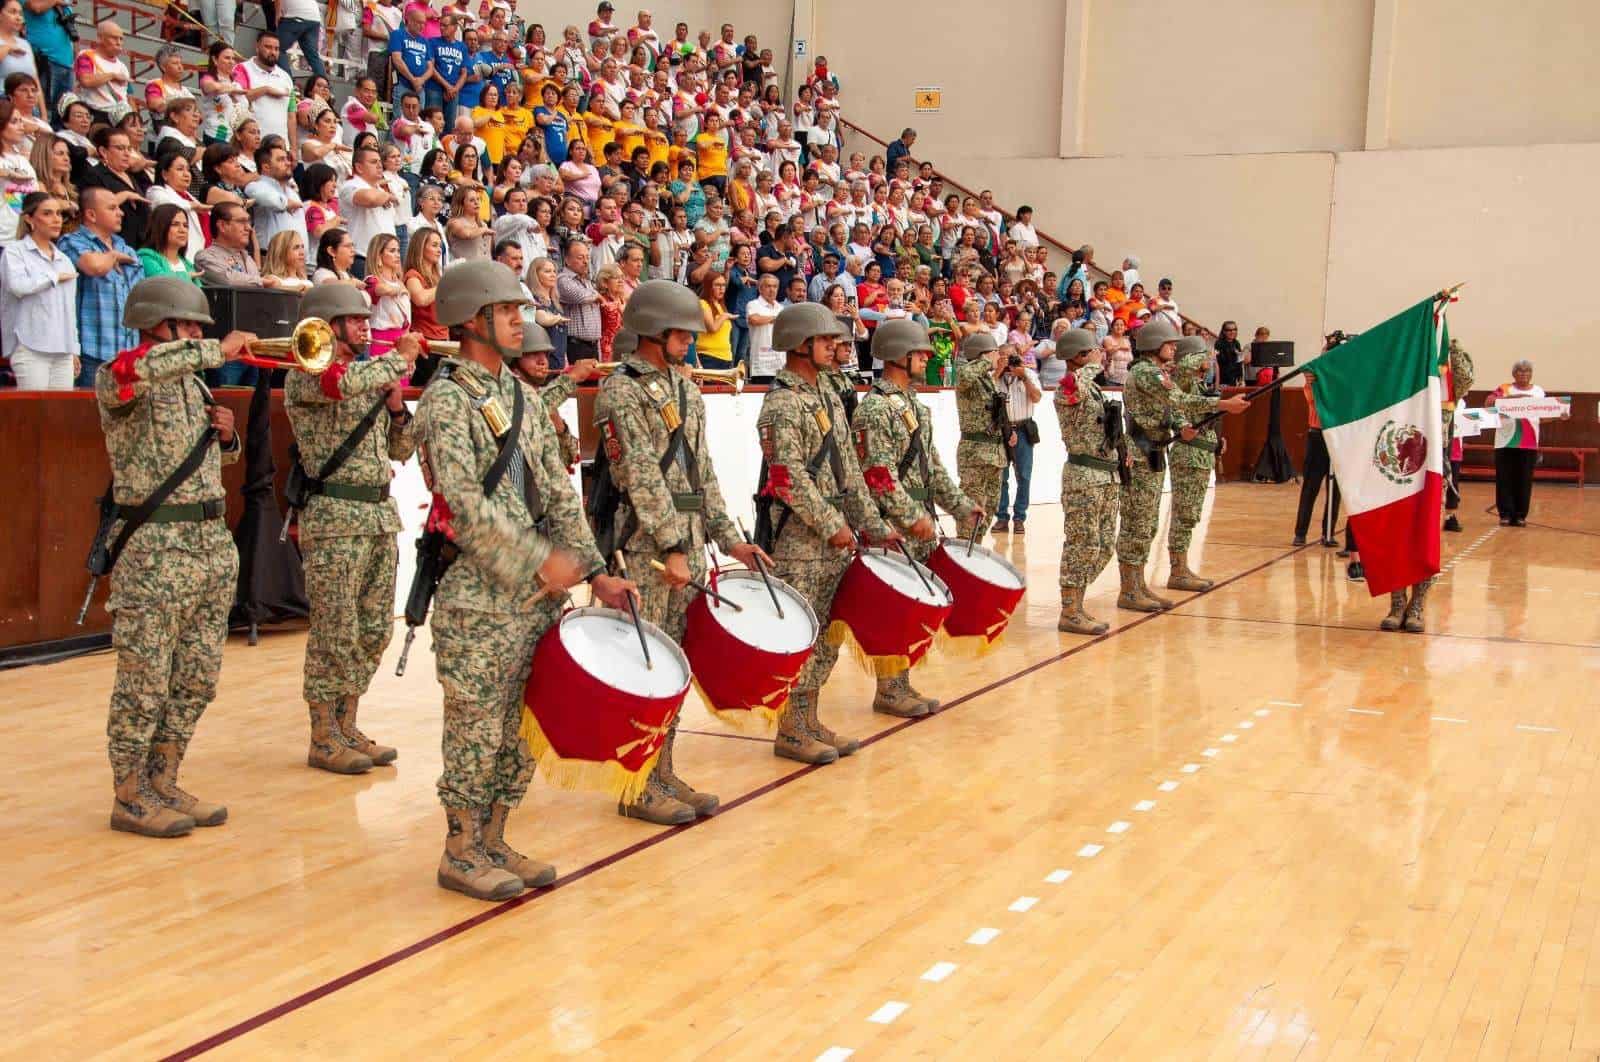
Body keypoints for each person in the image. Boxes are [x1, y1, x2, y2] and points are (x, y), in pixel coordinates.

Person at [414, 259, 634, 900]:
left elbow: (561, 494)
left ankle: (496, 835)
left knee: (519, 727)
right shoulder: (446, 401)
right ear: (475, 320)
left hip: (538, 598)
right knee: (477, 723)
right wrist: (536, 559)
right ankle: (461, 847)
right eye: (509, 312)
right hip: (479, 598)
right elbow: (461, 504)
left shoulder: (520, 396)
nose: (521, 322)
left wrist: (594, 570)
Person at [593, 280, 771, 822]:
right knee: (643, 666)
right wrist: (672, 546)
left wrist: (730, 538)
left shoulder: (686, 389)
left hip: (686, 545)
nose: (691, 340)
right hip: (645, 549)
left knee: (674, 665)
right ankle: (635, 783)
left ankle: (662, 769)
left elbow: (703, 473)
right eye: (683, 331)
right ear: (655, 330)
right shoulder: (621, 391)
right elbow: (640, 475)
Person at [95, 275, 255, 837]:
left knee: (197, 676)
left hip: (209, 546)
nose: (193, 335)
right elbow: (134, 375)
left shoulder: (197, 388)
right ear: (152, 325)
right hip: (157, 552)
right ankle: (129, 791)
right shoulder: (120, 375)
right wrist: (215, 349)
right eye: (184, 325)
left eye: (198, 328)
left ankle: (163, 776)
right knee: (145, 676)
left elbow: (220, 466)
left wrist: (228, 437)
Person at [285, 284, 420, 775]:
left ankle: (347, 723)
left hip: (377, 517)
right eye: (355, 319)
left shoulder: (369, 378)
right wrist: (399, 360)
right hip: (335, 521)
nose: (366, 326)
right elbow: (336, 385)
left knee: (372, 630)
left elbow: (401, 452)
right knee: (333, 632)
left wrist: (398, 410)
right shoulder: (307, 373)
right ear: (327, 325)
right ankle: (323, 734)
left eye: (366, 319)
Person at [756, 302, 897, 764]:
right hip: (800, 538)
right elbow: (788, 477)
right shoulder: (781, 402)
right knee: (800, 635)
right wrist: (833, 524)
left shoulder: (829, 395)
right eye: (826, 340)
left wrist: (873, 526)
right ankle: (790, 729)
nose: (837, 347)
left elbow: (850, 472)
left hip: (834, 537)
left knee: (825, 638)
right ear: (800, 344)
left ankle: (810, 718)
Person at [850, 319, 980, 717]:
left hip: (919, 520)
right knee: (895, 608)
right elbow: (878, 475)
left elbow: (933, 467)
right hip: (893, 526)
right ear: (898, 356)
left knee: (913, 609)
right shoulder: (874, 409)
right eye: (921, 352)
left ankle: (900, 683)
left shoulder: (914, 407)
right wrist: (910, 517)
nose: (928, 356)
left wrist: (960, 504)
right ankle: (888, 689)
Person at [1116, 319, 1250, 612]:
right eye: (1170, 344)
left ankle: (1137, 586)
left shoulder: (1154, 372)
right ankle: (1129, 589)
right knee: (1138, 522)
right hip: (1141, 451)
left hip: (1152, 450)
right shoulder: (1146, 372)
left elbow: (1168, 407)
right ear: (1154, 345)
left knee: (1148, 522)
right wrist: (1224, 405)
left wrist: (1180, 425)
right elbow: (1176, 397)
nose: (1174, 349)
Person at [1053, 328, 1121, 634]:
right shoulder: (1067, 385)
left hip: (1105, 474)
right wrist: (1092, 364)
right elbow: (1072, 389)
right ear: (1079, 356)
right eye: (1092, 352)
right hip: (1083, 477)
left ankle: (1076, 598)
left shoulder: (1092, 388)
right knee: (1082, 543)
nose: (1098, 356)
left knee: (1104, 544)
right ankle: (1070, 609)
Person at [60, 186, 145, 388]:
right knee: (91, 418)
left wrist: (111, 256)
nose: (121, 212)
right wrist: (113, 257)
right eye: (112, 208)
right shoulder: (71, 241)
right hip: (93, 352)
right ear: (91, 214)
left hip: (127, 353)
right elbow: (94, 266)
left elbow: (140, 289)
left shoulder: (125, 247)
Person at [1165, 335, 1226, 591]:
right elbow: (1184, 372)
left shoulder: (1199, 384)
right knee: (1184, 515)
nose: (1209, 360)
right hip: (1189, 457)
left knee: (1190, 516)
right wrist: (1198, 355)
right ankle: (1177, 571)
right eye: (1205, 356)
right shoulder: (1183, 381)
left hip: (1201, 455)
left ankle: (1182, 566)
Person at [1, 192, 78, 388]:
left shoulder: (64, 259)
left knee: (61, 416)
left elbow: (69, 309)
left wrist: (74, 349)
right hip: (29, 346)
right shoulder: (15, 251)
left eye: (59, 214)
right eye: (47, 213)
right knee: (34, 415)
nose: (56, 219)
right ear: (29, 219)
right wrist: (54, 277)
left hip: (63, 350)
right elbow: (18, 286)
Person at [1485, 358, 1562, 527]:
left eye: (1527, 371)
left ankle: (1520, 515)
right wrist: (1516, 397)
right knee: (1504, 479)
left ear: (1531, 374)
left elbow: (1540, 417)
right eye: (1520, 371)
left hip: (1528, 442)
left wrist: (1558, 415)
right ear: (1514, 374)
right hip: (1505, 441)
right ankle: (1505, 514)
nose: (1524, 374)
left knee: (1524, 480)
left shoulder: (1539, 392)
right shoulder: (1504, 388)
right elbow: (1488, 403)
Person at [953, 332, 1006, 537]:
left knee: (988, 509)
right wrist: (986, 360)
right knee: (971, 511)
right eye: (994, 352)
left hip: (994, 454)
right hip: (975, 454)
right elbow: (965, 377)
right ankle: (965, 552)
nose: (996, 356)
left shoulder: (987, 380)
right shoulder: (967, 373)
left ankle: (976, 547)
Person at [992, 346, 1042, 534]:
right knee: (1000, 476)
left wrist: (1024, 376)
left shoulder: (1029, 373)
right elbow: (984, 395)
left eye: (1011, 357)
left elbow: (1036, 397)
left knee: (1024, 476)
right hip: (1001, 430)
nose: (1007, 361)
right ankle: (1001, 517)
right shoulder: (994, 376)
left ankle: (1019, 517)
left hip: (1023, 428)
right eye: (1003, 356)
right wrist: (998, 371)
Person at [339, 146, 398, 278]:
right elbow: (370, 199)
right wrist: (388, 196)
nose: (379, 165)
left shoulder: (381, 190)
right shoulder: (350, 185)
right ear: (359, 167)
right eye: (373, 162)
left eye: (379, 161)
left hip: (386, 262)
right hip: (363, 259)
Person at [234, 33, 293, 143]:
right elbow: (238, 100)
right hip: (251, 143)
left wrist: (293, 147)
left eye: (276, 49)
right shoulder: (242, 69)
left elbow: (291, 115)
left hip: (280, 144)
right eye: (268, 47)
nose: (273, 52)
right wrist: (265, 90)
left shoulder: (286, 77)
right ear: (257, 47)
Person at [195, 201, 265, 287]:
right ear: (222, 226)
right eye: (241, 221)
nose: (248, 228)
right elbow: (229, 280)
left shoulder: (248, 258)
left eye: (248, 222)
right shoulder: (205, 257)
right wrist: (264, 282)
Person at [136, 202, 201, 283]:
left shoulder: (188, 264)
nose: (182, 230)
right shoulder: (146, 257)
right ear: (160, 227)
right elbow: (163, 284)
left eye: (185, 225)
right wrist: (187, 276)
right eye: (175, 224)